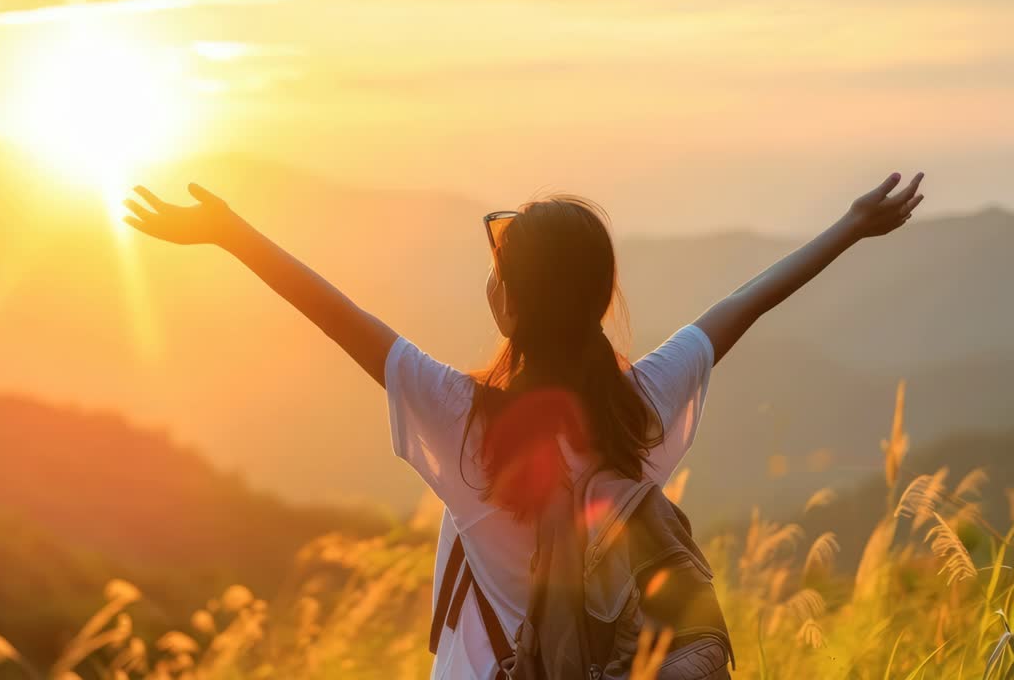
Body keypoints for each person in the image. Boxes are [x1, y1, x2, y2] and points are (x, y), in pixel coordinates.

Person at [122, 171, 925, 679]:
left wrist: (228, 234)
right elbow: (737, 310)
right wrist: (851, 226)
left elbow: (339, 314)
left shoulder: (464, 422)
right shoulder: (639, 409)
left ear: (513, 303)